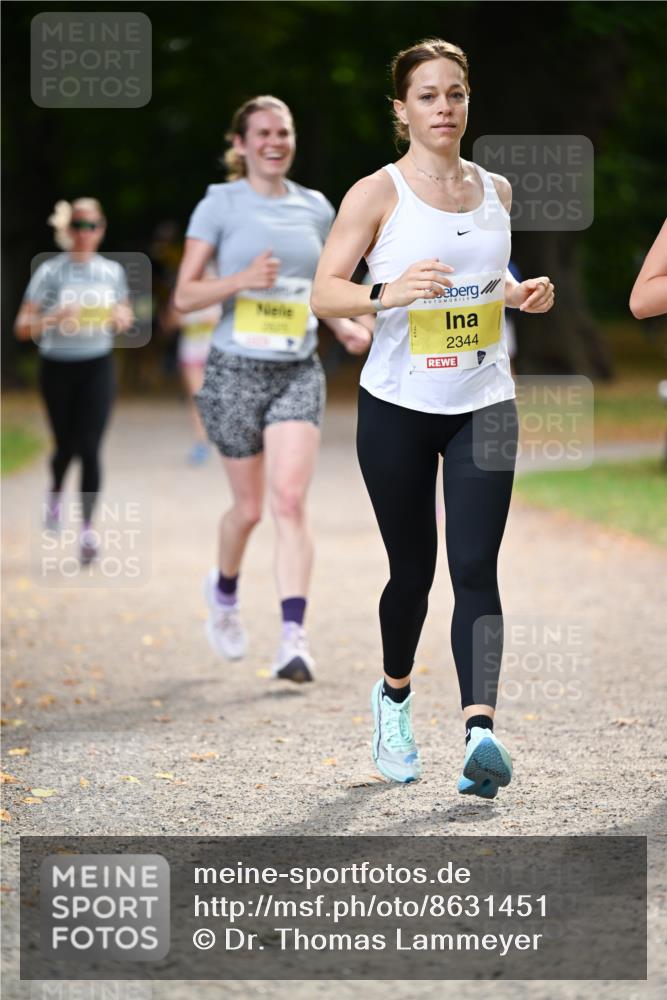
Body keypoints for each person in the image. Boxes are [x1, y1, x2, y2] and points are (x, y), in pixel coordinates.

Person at [312, 39, 554, 797]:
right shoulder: (374, 194)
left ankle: (480, 733)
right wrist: (388, 294)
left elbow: (481, 272)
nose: (443, 107)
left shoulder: (496, 190)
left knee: (475, 568)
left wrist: (513, 293)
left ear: (467, 101)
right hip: (398, 409)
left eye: (454, 93)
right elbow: (324, 292)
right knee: (411, 573)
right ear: (401, 109)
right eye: (427, 95)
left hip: (482, 402)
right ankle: (392, 700)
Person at [174, 95, 370, 682]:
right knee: (250, 509)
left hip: (296, 370)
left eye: (283, 131)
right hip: (234, 368)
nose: (274, 141)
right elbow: (184, 296)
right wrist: (239, 280)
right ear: (240, 143)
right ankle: (225, 592)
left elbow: (320, 285)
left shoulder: (315, 207)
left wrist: (342, 323)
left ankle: (293, 636)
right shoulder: (219, 203)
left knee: (288, 500)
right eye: (261, 133)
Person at [14, 198, 134, 564]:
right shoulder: (50, 272)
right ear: (68, 231)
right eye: (78, 226)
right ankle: (54, 492)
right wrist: (53, 318)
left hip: (97, 365)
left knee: (91, 445)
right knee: (65, 446)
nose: (85, 233)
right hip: (57, 366)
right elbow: (22, 328)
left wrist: (120, 317)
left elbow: (126, 316)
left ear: (101, 229)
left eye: (92, 225)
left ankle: (87, 531)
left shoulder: (112, 271)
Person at [167, 264, 220, 465]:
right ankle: (201, 442)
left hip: (218, 353)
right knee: (197, 397)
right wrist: (181, 317)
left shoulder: (221, 284)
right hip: (191, 352)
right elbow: (170, 322)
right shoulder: (184, 288)